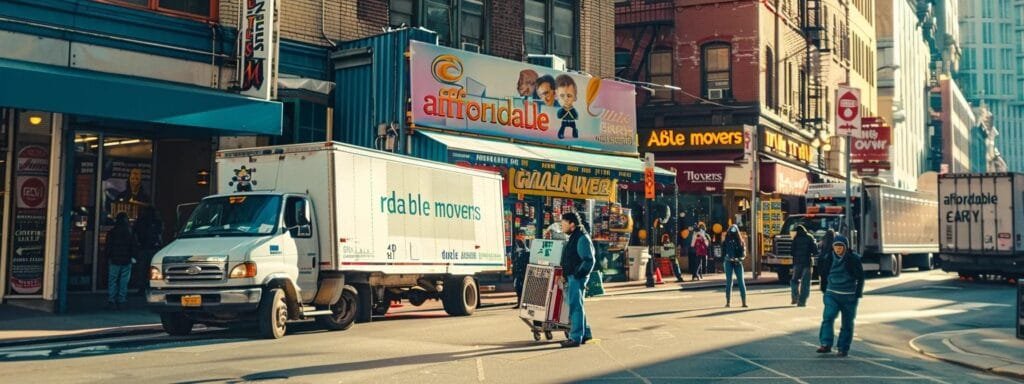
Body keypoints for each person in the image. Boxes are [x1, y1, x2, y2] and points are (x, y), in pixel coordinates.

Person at [816, 235, 865, 357]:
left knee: (847, 323)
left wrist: (858, 293)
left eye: (840, 247)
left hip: (849, 295)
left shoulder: (853, 258)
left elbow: (861, 277)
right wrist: (824, 289)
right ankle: (826, 344)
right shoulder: (829, 257)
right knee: (828, 317)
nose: (838, 249)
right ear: (833, 247)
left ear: (846, 247)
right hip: (832, 293)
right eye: (836, 246)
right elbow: (824, 273)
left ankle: (843, 347)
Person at [558, 212, 595, 348]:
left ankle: (575, 337)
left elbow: (589, 260)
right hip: (573, 276)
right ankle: (585, 334)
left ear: (572, 224)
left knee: (575, 307)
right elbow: (572, 259)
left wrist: (577, 275)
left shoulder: (581, 238)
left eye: (563, 224)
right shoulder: (576, 236)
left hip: (576, 277)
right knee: (577, 306)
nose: (562, 226)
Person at [106, 212, 138, 310]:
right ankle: (121, 300)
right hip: (126, 259)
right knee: (124, 281)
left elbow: (108, 246)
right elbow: (134, 246)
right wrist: (133, 256)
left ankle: (111, 300)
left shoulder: (112, 232)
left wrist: (108, 256)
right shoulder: (130, 232)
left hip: (114, 259)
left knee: (113, 280)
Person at [132, 206, 164, 292]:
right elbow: (160, 235)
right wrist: (160, 245)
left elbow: (134, 234)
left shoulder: (140, 221)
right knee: (154, 268)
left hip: (143, 247)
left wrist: (137, 245)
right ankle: (153, 286)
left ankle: (142, 288)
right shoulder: (157, 221)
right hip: (153, 248)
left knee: (142, 269)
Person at [789, 225, 818, 307]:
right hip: (807, 263)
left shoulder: (796, 238)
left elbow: (791, 251)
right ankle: (802, 301)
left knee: (794, 280)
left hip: (797, 262)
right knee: (805, 282)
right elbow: (815, 250)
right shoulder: (810, 237)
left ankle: (795, 297)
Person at [722, 225, 748, 308]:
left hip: (738, 262)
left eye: (735, 230)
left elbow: (743, 253)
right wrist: (727, 257)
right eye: (731, 230)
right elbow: (723, 253)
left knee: (741, 281)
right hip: (728, 262)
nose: (732, 232)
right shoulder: (726, 241)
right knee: (729, 281)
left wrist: (739, 259)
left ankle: (744, 302)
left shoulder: (741, 241)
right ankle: (728, 302)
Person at [555, 75, 579, 140]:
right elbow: (559, 115)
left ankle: (575, 133)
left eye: (569, 95)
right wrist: (562, 111)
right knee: (562, 127)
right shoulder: (562, 109)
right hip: (564, 120)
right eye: (562, 95)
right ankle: (561, 134)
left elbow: (576, 115)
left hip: (571, 121)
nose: (566, 99)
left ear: (575, 97)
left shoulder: (573, 109)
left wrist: (576, 116)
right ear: (556, 96)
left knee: (573, 127)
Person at [511, 229, 530, 309]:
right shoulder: (516, 244)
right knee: (518, 286)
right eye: (520, 235)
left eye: (522, 235)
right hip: (517, 269)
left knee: (520, 286)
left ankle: (522, 303)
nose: (521, 236)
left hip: (522, 269)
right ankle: (520, 303)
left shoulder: (524, 245)